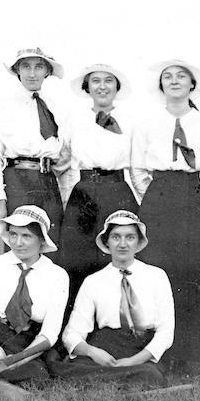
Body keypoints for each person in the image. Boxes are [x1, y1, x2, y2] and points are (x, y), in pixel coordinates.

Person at [130, 59, 200, 375]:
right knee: (158, 271)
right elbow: (138, 169)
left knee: (194, 273)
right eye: (167, 77)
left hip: (193, 196)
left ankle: (192, 354)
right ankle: (158, 352)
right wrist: (158, 198)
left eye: (181, 76)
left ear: (192, 85)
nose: (174, 81)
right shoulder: (147, 124)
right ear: (160, 85)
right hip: (159, 196)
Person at [53, 210, 173, 387]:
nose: (122, 244)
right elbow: (72, 333)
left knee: (149, 374)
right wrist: (93, 352)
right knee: (70, 370)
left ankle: (107, 380)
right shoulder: (93, 281)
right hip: (106, 346)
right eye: (116, 237)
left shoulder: (157, 276)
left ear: (139, 241)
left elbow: (166, 332)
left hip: (141, 348)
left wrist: (134, 361)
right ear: (106, 242)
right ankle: (117, 380)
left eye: (130, 237)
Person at [0, 205, 68, 383]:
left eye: (26, 236)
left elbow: (50, 333)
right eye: (13, 234)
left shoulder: (58, 275)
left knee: (35, 378)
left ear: (41, 239)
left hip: (25, 343)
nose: (17, 242)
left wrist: (21, 358)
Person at [60, 63, 140, 304]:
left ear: (117, 87)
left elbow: (137, 167)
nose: (102, 86)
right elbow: (64, 162)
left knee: (117, 255)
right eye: (96, 81)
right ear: (87, 87)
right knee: (77, 258)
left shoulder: (131, 121)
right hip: (83, 193)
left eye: (108, 81)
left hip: (117, 190)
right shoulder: (73, 120)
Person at [0, 47, 71, 245]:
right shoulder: (3, 105)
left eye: (38, 67)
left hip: (48, 183)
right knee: (18, 241)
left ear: (47, 71)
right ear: (17, 70)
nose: (32, 73)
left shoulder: (56, 106)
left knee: (49, 242)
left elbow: (65, 156)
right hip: (17, 181)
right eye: (26, 66)